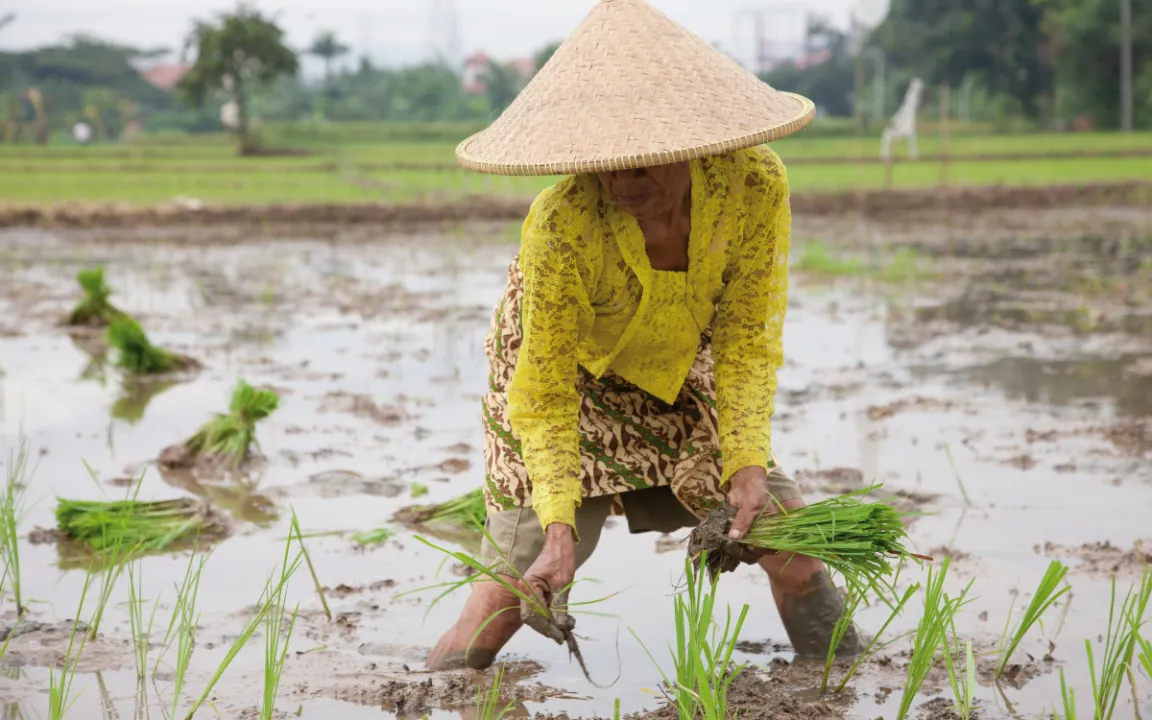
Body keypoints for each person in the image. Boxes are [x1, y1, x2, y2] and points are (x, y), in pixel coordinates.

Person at [428, 0, 860, 670]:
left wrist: (746, 465)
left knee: (785, 537)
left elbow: (745, 339)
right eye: (605, 163)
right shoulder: (563, 223)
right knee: (513, 590)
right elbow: (540, 393)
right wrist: (560, 532)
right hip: (563, 382)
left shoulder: (753, 185)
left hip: (678, 371)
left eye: (642, 162)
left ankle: (840, 681)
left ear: (690, 144)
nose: (621, 182)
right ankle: (436, 694)